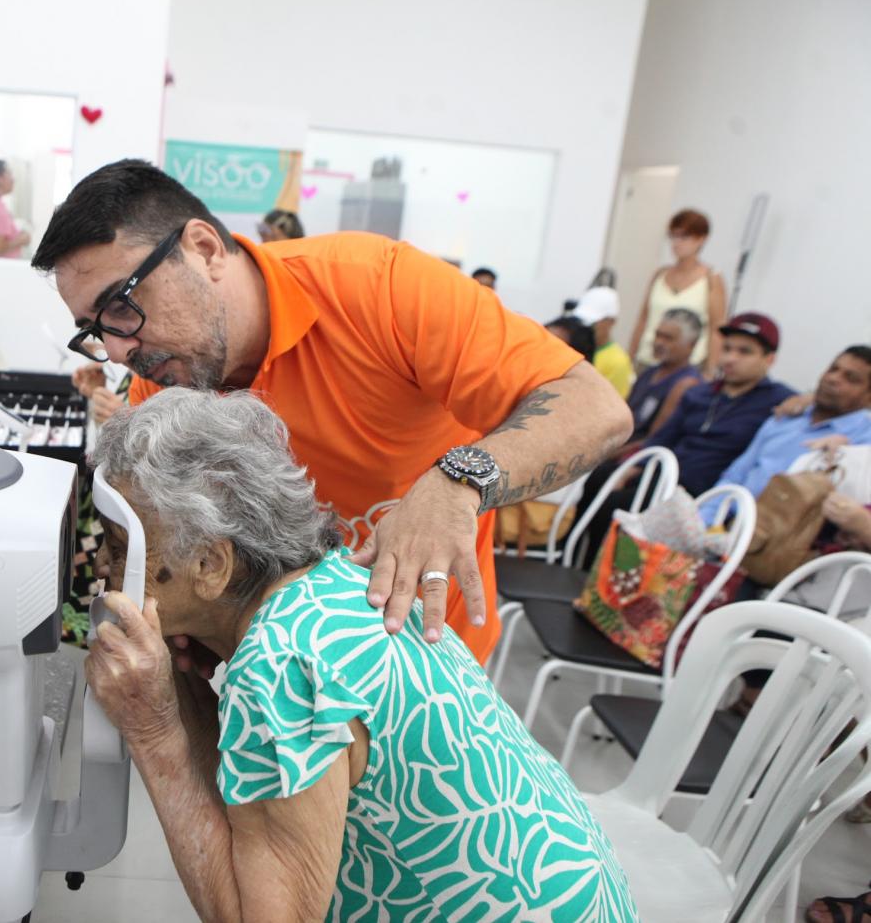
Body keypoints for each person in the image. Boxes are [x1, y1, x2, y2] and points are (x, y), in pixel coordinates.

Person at [32, 159, 632, 662]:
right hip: (280, 674)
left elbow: (594, 409)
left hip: (420, 655)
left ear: (204, 248)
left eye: (121, 306)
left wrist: (457, 484)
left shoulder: (381, 290)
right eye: (93, 329)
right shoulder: (165, 384)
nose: (116, 348)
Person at [84, 389, 639, 921]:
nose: (104, 567)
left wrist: (154, 731)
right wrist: (182, 689)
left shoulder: (281, 664)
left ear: (210, 565)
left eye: (119, 545)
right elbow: (250, 829)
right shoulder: (341, 585)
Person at [576, 312, 794, 565]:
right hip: (665, 476)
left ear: (769, 359)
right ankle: (577, 562)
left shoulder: (777, 400)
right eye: (727, 349)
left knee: (617, 504)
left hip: (703, 492)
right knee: (601, 476)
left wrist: (805, 401)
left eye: (745, 352)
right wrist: (632, 466)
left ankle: (597, 574)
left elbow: (817, 410)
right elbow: (664, 437)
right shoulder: (700, 394)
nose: (731, 358)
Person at [711, 346, 871, 503]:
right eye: (833, 369)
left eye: (851, 378)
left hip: (790, 526)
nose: (833, 379)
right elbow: (734, 476)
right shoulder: (785, 417)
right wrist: (706, 520)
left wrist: (846, 455)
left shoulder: (862, 441)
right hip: (732, 519)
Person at [628, 209, 727, 372]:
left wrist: (711, 370)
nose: (677, 242)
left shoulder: (711, 279)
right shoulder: (660, 275)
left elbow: (716, 328)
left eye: (685, 237)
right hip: (647, 359)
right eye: (673, 236)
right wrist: (630, 356)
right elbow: (643, 319)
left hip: (688, 365)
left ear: (701, 239)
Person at [626, 307, 704, 440]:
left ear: (691, 345)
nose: (658, 342)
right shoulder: (650, 372)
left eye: (668, 338)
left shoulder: (686, 383)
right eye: (658, 335)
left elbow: (653, 439)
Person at [573, 286, 635, 398]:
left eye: (592, 322)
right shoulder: (570, 344)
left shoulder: (618, 362)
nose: (585, 327)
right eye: (581, 320)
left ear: (611, 322)